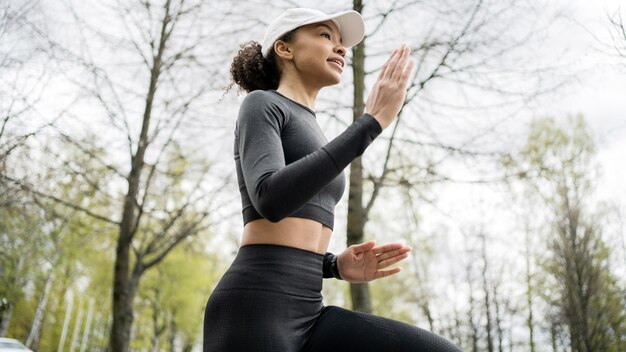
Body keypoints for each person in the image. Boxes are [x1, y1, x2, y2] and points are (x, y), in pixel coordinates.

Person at [203, 7, 462, 352]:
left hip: (310, 309)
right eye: (326, 36)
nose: (341, 48)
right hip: (256, 306)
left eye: (342, 43)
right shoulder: (262, 105)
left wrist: (334, 265)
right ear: (285, 48)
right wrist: (370, 123)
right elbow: (269, 197)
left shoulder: (313, 127)